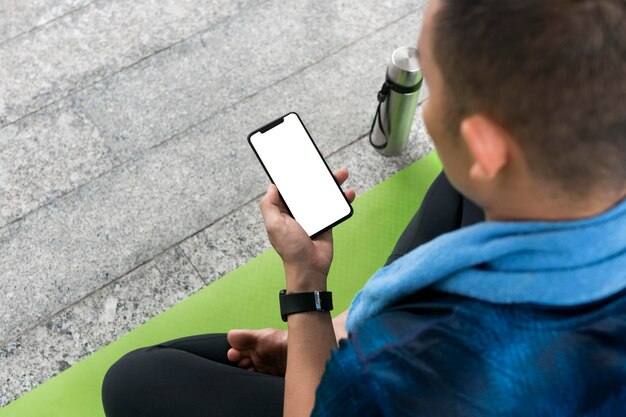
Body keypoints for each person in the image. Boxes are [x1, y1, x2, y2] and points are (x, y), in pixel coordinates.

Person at [102, 0, 626, 416]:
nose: (426, 106)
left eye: (436, 86)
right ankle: (347, 331)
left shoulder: (424, 370)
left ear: (487, 145)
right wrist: (330, 335)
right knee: (458, 183)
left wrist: (306, 291)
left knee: (136, 380)